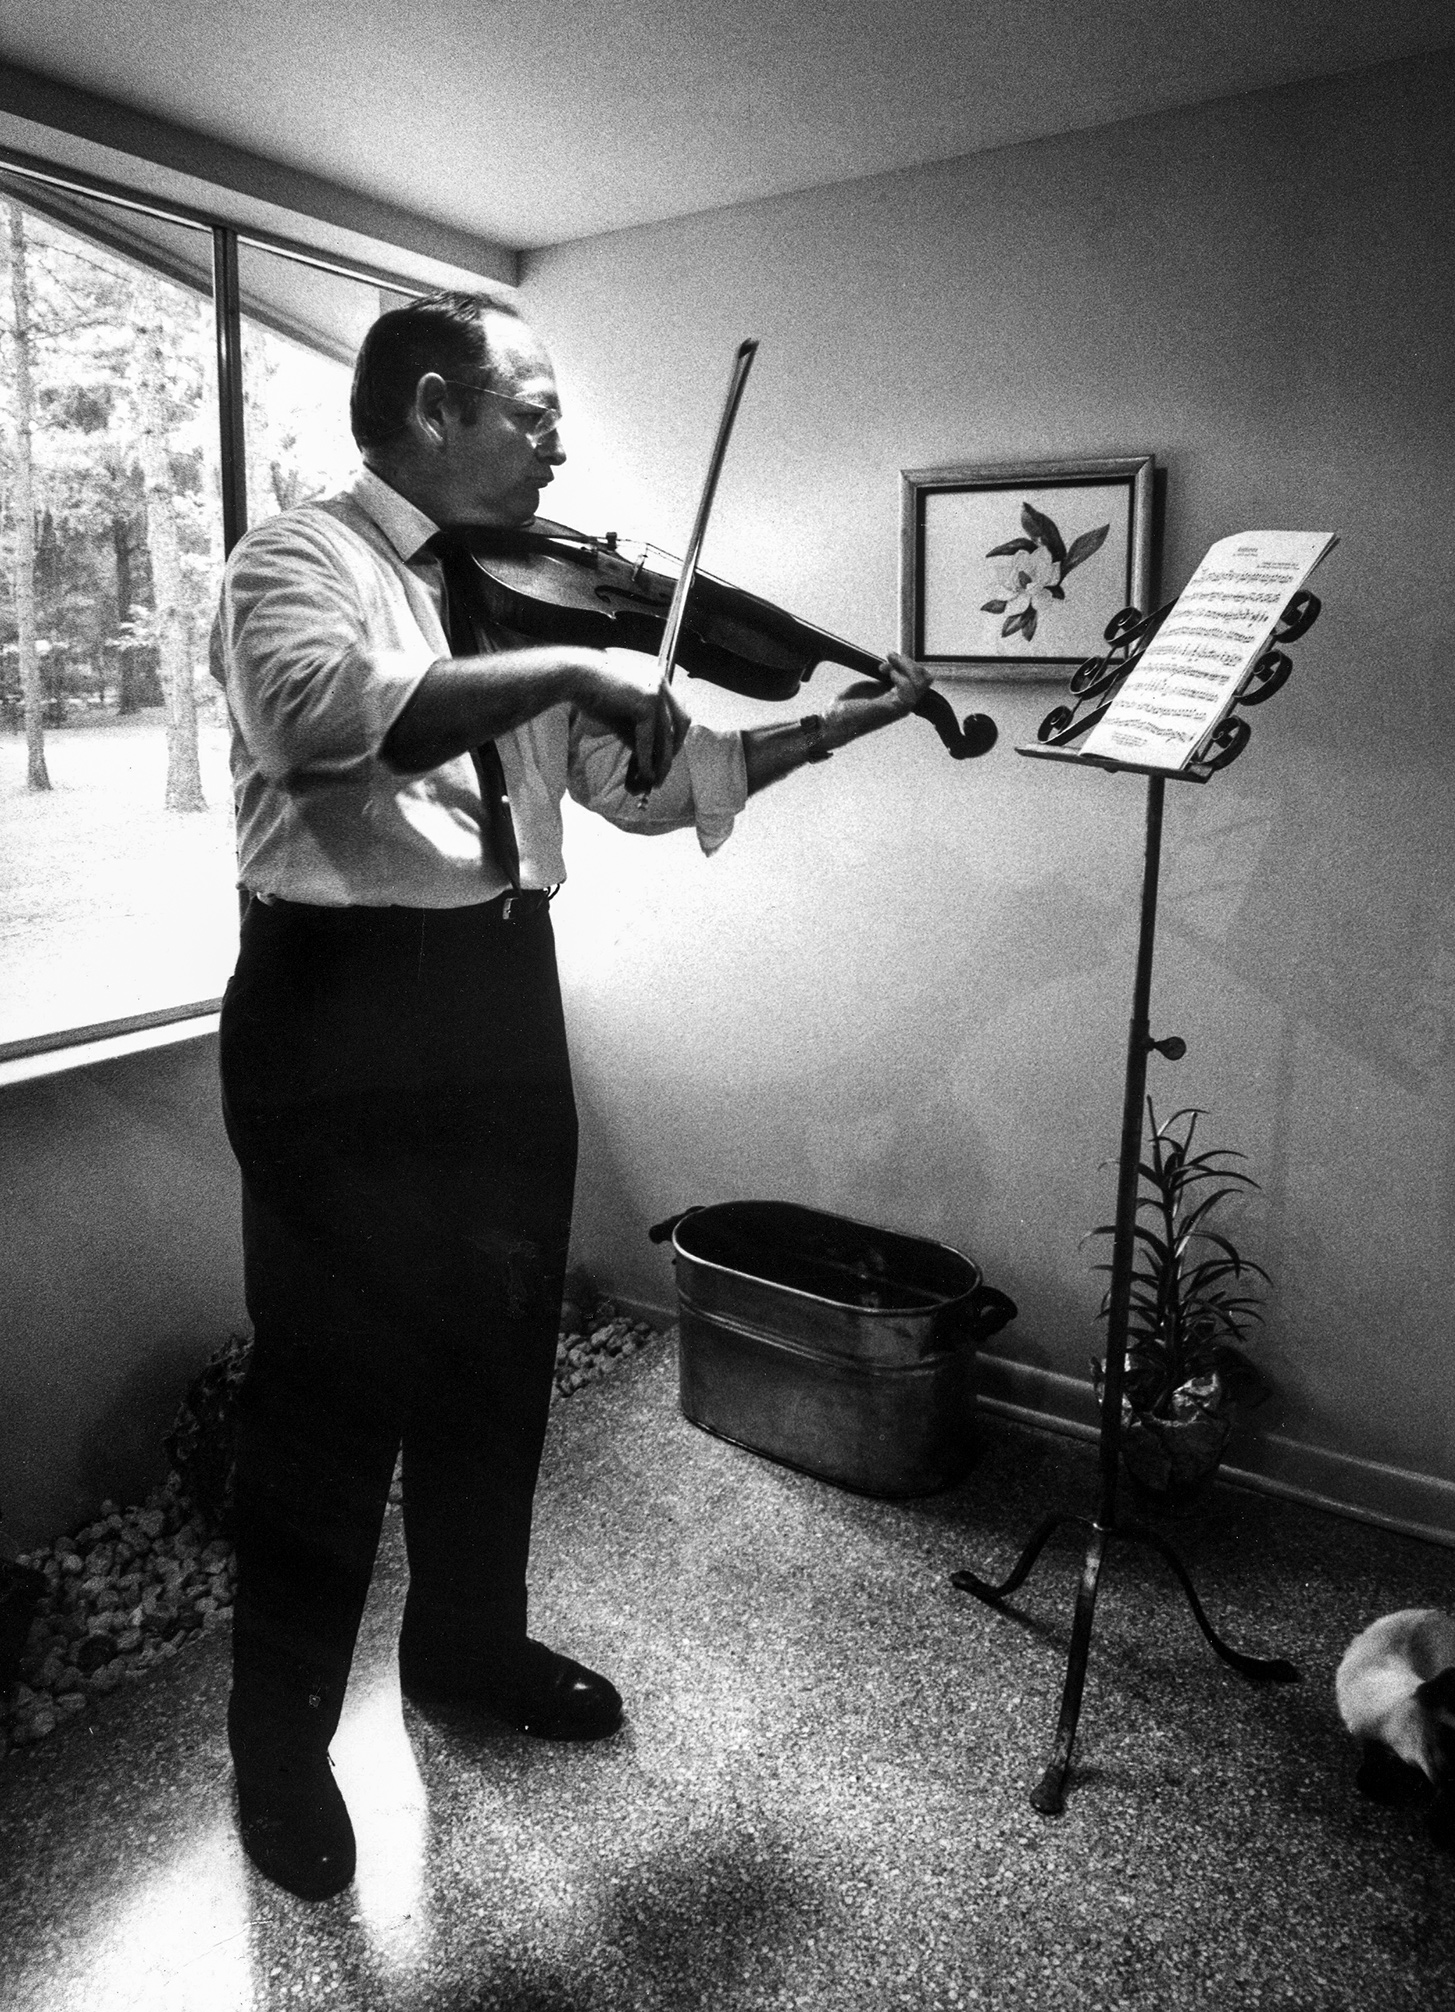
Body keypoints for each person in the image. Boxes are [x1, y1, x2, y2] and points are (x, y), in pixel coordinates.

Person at [215, 291, 930, 1901]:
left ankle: (465, 1649)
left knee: (495, 1360)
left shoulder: (523, 594)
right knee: (327, 1405)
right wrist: (576, 665)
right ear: (426, 409)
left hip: (498, 999)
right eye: (529, 409)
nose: (556, 440)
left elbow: (639, 783)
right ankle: (280, 1751)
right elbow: (319, 722)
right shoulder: (296, 565)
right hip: (337, 1018)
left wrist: (823, 730)